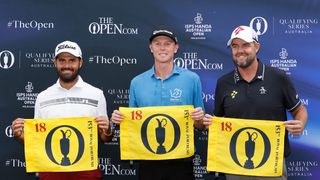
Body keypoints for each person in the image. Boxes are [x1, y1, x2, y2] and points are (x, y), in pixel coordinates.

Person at [203, 26, 308, 180]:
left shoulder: (279, 78)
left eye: (246, 45)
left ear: (256, 47)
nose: (240, 50)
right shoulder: (223, 83)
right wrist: (209, 122)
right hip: (234, 165)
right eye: (235, 46)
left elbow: (300, 110)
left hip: (272, 164)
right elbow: (219, 122)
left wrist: (300, 123)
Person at [111, 27, 205, 180]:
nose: (162, 48)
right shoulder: (137, 82)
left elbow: (200, 126)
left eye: (167, 44)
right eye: (157, 43)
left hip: (181, 161)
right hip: (148, 161)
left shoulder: (192, 79)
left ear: (175, 48)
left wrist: (199, 119)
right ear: (151, 48)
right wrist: (120, 119)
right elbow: (132, 124)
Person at [11, 40, 113, 180]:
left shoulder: (96, 94)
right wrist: (20, 137)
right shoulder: (42, 96)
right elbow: (38, 140)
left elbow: (105, 138)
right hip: (50, 171)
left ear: (80, 62)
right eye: (62, 60)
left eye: (72, 60)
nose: (67, 65)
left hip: (86, 171)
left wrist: (108, 129)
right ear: (55, 63)